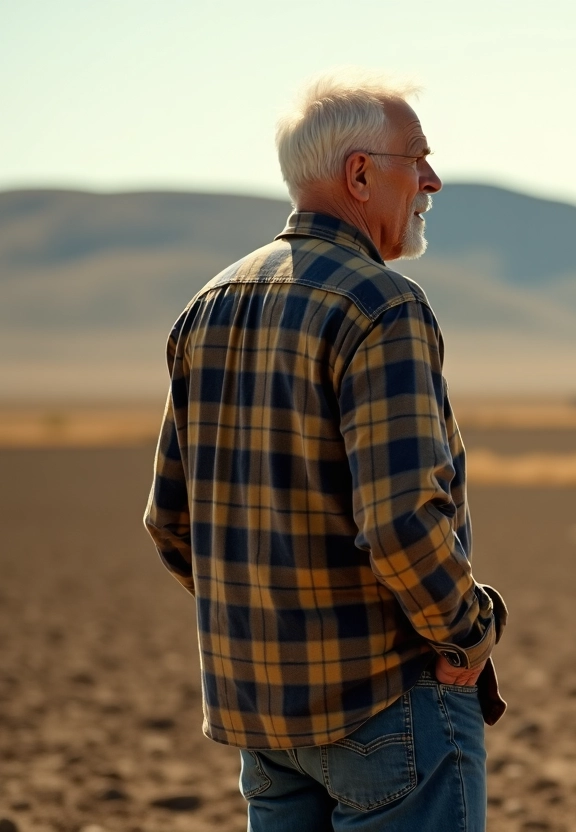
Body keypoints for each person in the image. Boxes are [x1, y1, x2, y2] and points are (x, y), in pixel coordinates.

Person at [143, 69, 506, 832]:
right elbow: (402, 521)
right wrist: (468, 634)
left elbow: (171, 525)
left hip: (263, 722)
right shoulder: (382, 306)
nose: (433, 179)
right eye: (420, 157)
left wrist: (270, 625)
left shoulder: (207, 306)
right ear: (361, 174)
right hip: (387, 706)